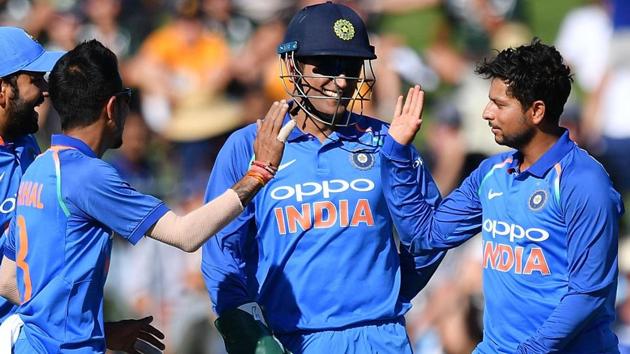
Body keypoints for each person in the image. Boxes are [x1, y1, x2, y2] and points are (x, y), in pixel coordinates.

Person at [0, 39, 293, 353]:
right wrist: (258, 173)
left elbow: (9, 279)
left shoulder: (37, 166)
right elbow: (186, 234)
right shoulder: (87, 176)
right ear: (113, 107)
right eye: (127, 98)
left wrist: (97, 330)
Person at [201, 2, 444, 353]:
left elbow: (429, 232)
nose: (341, 81)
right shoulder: (248, 147)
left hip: (381, 337)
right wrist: (246, 327)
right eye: (326, 67)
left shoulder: (387, 143)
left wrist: (392, 289)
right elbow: (222, 249)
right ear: (292, 66)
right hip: (292, 339)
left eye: (350, 66)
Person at [381, 39, 623, 353]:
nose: (486, 113)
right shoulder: (492, 173)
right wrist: (397, 153)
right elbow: (426, 234)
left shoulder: (584, 183)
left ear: (536, 111)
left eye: (499, 104)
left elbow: (587, 293)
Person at [0, 26, 64, 323]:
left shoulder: (23, 139)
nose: (45, 91)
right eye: (35, 79)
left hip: (30, 326)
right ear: (3, 89)